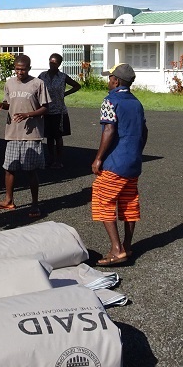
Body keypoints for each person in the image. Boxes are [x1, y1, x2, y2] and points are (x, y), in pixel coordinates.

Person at [90, 63, 148, 266]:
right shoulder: (137, 103)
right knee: (129, 202)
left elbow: (109, 131)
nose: (108, 81)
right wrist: (136, 151)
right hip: (133, 162)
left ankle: (116, 250)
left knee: (102, 198)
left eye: (110, 78)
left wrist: (98, 158)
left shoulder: (110, 100)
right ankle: (128, 246)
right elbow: (145, 131)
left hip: (116, 162)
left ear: (116, 81)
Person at [0, 54, 50, 218]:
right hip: (13, 132)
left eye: (23, 69)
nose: (19, 72)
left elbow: (45, 108)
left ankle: (35, 204)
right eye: (17, 69)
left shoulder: (38, 84)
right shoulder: (9, 83)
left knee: (30, 171)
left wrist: (29, 114)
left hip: (31, 134)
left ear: (29, 69)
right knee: (9, 168)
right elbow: (9, 103)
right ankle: (9, 200)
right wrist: (1, 105)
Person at [38, 53, 81, 168]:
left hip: (59, 110)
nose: (52, 64)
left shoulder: (62, 77)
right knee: (49, 137)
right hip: (46, 110)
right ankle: (51, 159)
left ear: (59, 64)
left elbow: (77, 86)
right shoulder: (42, 76)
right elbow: (35, 87)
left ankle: (59, 160)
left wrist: (64, 94)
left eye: (55, 63)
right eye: (50, 62)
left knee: (58, 136)